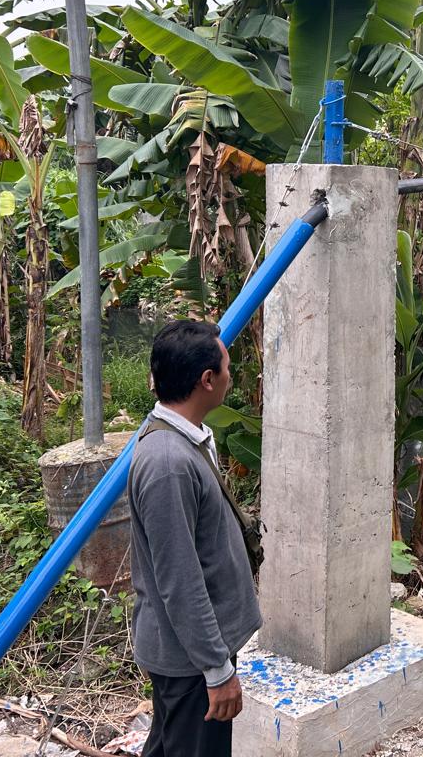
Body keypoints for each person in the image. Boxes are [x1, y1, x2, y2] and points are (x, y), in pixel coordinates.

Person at [128, 320, 261, 756]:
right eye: (227, 368)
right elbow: (180, 582)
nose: (230, 376)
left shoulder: (187, 439)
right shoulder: (169, 463)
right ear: (207, 380)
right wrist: (216, 670)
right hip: (192, 662)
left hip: (191, 654)